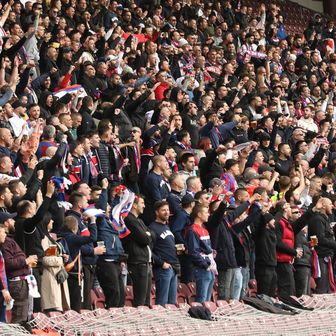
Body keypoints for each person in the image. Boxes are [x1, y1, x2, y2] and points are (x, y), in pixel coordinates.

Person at [123, 195, 153, 307]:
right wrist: (147, 235)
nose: (144, 206)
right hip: (138, 262)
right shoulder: (129, 220)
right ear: (134, 205)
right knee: (140, 300)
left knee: (146, 300)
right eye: (142, 203)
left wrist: (147, 235)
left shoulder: (139, 220)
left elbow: (152, 236)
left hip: (145, 262)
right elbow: (145, 239)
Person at [150, 201, 179, 306]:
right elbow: (149, 250)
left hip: (173, 268)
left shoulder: (167, 227)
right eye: (163, 210)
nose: (167, 212)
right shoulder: (152, 228)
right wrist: (162, 263)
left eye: (167, 210)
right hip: (163, 269)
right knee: (162, 303)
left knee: (172, 304)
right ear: (157, 212)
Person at [185, 204, 216, 303]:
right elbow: (193, 252)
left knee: (207, 299)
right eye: (206, 212)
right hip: (202, 268)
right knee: (202, 299)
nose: (208, 215)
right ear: (199, 214)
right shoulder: (193, 230)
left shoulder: (205, 230)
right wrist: (205, 264)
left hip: (209, 268)